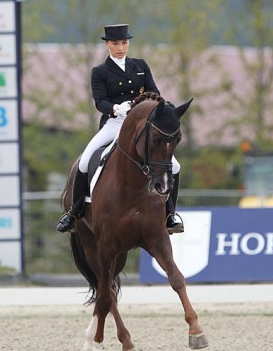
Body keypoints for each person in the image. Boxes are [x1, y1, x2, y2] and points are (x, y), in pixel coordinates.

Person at [57, 23, 184, 233]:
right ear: (108, 45)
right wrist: (116, 108)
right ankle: (74, 211)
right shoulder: (100, 72)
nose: (120, 47)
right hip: (114, 123)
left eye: (124, 43)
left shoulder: (140, 66)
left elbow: (154, 91)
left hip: (139, 124)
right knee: (85, 161)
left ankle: (170, 214)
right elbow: (99, 101)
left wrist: (149, 105)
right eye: (115, 43)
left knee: (175, 166)